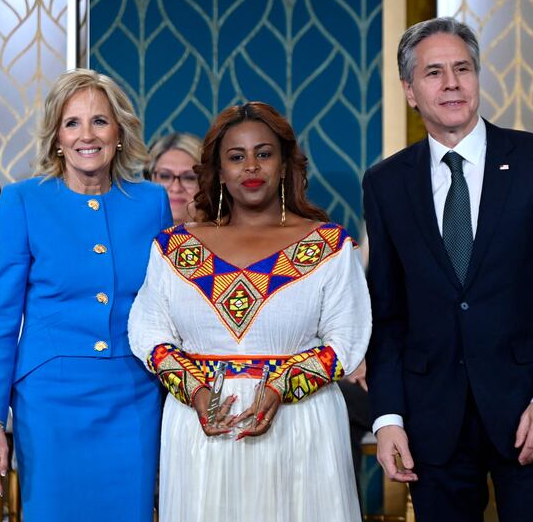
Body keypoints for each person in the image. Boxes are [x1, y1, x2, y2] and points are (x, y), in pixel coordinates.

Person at [362, 17, 533, 521]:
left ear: (477, 77)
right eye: (434, 73)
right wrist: (388, 418)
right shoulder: (385, 183)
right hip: (432, 421)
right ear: (409, 90)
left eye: (462, 69)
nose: (451, 84)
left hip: (529, 414)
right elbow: (387, 315)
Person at [129, 101, 370, 521]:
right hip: (201, 426)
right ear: (218, 171)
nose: (251, 166)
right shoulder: (173, 247)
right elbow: (149, 335)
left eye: (264, 153)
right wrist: (196, 390)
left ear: (284, 164)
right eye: (236, 157)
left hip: (301, 424)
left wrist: (281, 386)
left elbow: (345, 341)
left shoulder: (329, 245)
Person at [0, 68, 172, 521]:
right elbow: (2, 321)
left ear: (119, 132)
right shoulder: (22, 201)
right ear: (57, 137)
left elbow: (169, 305)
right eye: (73, 123)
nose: (88, 134)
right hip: (49, 400)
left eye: (100, 121)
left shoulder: (151, 202)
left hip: (133, 395)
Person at [147, 132, 202, 224]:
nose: (176, 188)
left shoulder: (223, 236)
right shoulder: (128, 234)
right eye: (165, 176)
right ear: (150, 179)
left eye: (189, 178)